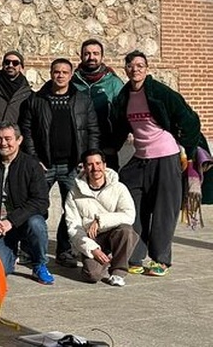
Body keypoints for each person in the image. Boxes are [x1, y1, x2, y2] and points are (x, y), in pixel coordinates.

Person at [110, 50, 204, 276]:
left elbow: (190, 119)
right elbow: (118, 128)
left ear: (147, 68)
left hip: (166, 156)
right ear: (126, 70)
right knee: (134, 207)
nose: (136, 70)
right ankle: (134, 256)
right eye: (131, 66)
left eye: (140, 65)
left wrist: (188, 150)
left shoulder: (161, 92)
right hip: (140, 157)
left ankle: (161, 260)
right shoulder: (124, 97)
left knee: (164, 210)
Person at [19, 58, 99, 268]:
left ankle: (64, 250)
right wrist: (34, 158)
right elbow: (26, 131)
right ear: (51, 73)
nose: (60, 75)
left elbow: (92, 130)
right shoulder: (36, 100)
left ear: (71, 75)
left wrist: (87, 159)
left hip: (73, 165)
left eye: (65, 72)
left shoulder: (82, 100)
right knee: (35, 207)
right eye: (57, 72)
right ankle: (31, 249)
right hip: (43, 164)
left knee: (71, 210)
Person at [0, 122, 53, 285]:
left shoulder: (32, 165)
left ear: (19, 140)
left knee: (37, 223)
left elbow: (41, 201)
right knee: (1, 270)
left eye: (8, 139)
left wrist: (12, 221)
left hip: (25, 221)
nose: (3, 143)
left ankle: (39, 264)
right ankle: (10, 255)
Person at [64, 150, 138, 287]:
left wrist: (100, 220)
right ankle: (106, 258)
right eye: (90, 165)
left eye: (98, 163)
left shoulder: (119, 188)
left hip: (114, 234)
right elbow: (73, 227)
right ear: (84, 168)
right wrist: (92, 249)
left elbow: (129, 215)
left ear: (104, 165)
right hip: (91, 239)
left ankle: (118, 272)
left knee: (126, 231)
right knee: (92, 275)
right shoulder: (74, 193)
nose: (95, 168)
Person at [71, 39, 125, 168]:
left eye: (95, 53)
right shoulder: (72, 83)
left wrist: (115, 145)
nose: (91, 57)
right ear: (81, 56)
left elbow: (122, 117)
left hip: (106, 148)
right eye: (87, 54)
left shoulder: (114, 83)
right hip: (78, 148)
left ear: (102, 56)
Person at [0, 51, 32, 157]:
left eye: (15, 63)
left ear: (21, 67)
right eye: (7, 62)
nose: (10, 65)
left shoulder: (28, 95)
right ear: (3, 65)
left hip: (14, 151)